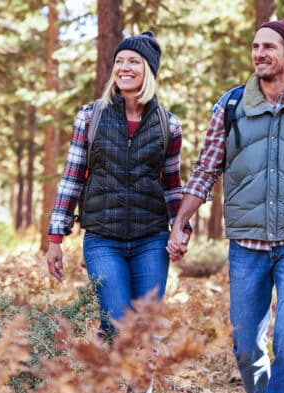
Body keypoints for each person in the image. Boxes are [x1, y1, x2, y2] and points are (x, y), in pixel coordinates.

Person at [167, 19, 284, 393]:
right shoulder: (231, 105)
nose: (259, 54)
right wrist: (180, 224)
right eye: (255, 47)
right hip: (246, 244)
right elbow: (206, 168)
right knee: (245, 345)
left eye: (269, 47)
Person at [47, 31, 190, 340]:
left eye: (134, 61)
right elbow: (72, 177)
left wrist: (181, 229)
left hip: (151, 239)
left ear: (148, 71)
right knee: (116, 323)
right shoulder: (90, 117)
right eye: (119, 61)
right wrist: (55, 237)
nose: (124, 67)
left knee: (145, 328)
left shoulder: (169, 124)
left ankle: (139, 389)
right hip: (103, 239)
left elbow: (172, 188)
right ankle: (112, 380)